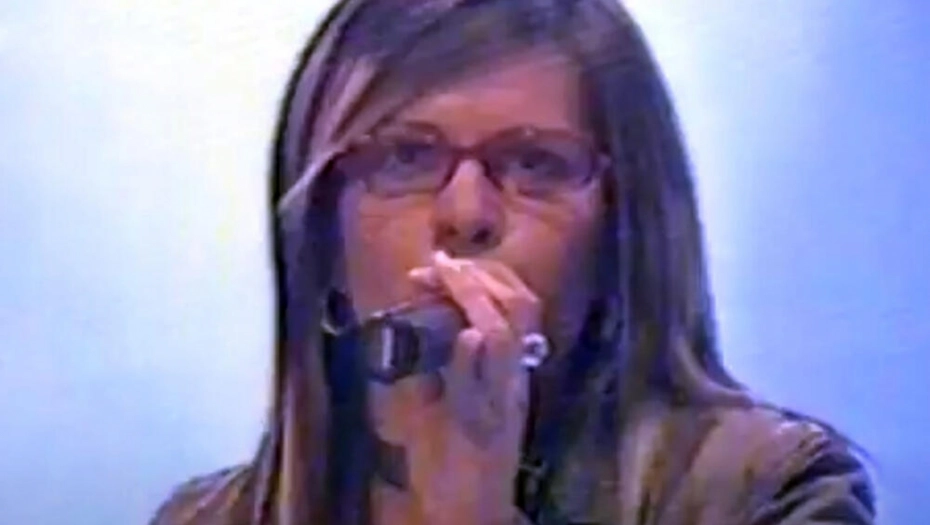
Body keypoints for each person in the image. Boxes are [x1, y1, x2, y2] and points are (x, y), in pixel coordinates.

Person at [150, 0, 876, 523]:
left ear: (621, 229)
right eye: (405, 157)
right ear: (321, 233)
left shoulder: (768, 492)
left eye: (536, 163)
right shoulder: (208, 518)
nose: (465, 214)